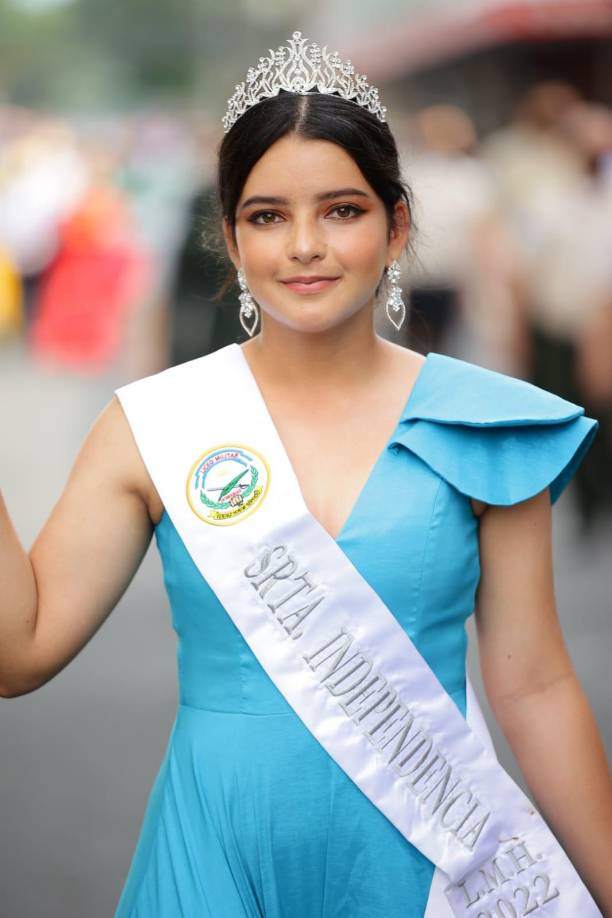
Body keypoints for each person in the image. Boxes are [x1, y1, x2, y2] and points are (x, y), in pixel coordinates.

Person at [1, 31, 611, 918]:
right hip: (214, 854)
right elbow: (19, 654)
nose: (305, 247)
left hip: (427, 869)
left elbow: (536, 685)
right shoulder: (155, 427)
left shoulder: (485, 424)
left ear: (397, 225)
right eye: (267, 215)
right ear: (231, 237)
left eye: (342, 210)